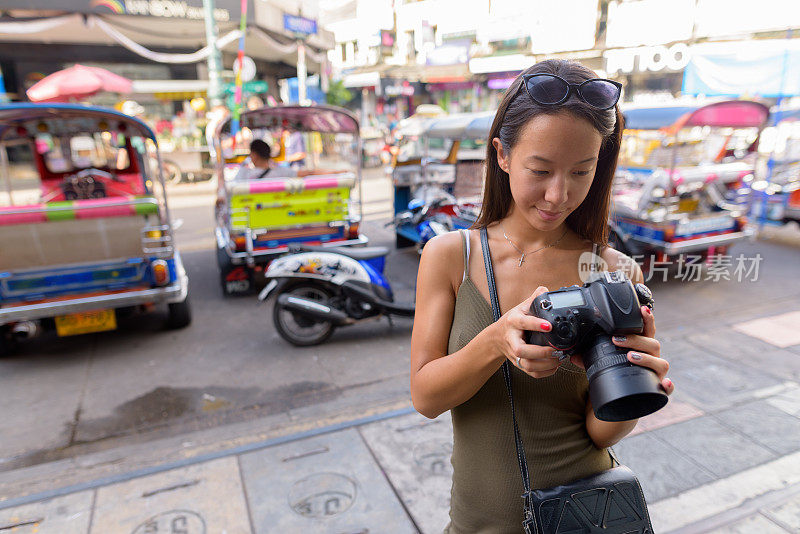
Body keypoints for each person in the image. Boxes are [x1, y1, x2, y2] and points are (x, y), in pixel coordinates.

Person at [410, 59, 675, 533]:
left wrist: (635, 389)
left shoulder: (615, 272)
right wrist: (497, 340)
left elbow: (597, 434)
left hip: (586, 517)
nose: (558, 194)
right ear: (503, 155)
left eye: (581, 171)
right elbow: (426, 397)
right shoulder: (450, 255)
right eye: (540, 169)